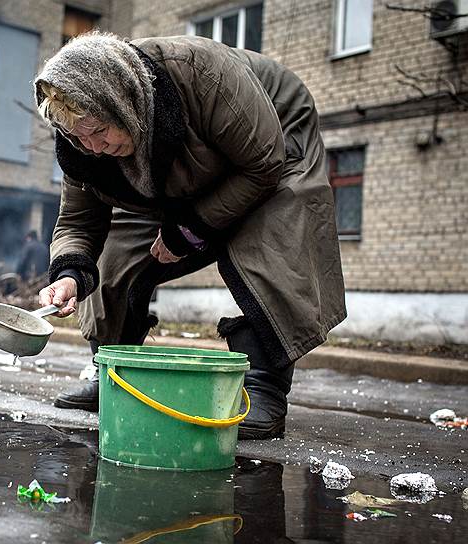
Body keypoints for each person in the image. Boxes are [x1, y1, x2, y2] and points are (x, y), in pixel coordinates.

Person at [35, 33, 346, 440]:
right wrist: (69, 275)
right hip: (177, 175)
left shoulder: (201, 71)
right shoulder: (82, 146)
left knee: (268, 245)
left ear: (121, 105)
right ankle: (114, 371)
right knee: (116, 258)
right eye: (78, 137)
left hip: (271, 145)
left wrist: (189, 231)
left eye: (99, 131)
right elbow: (78, 221)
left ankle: (265, 386)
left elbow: (263, 164)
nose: (92, 147)